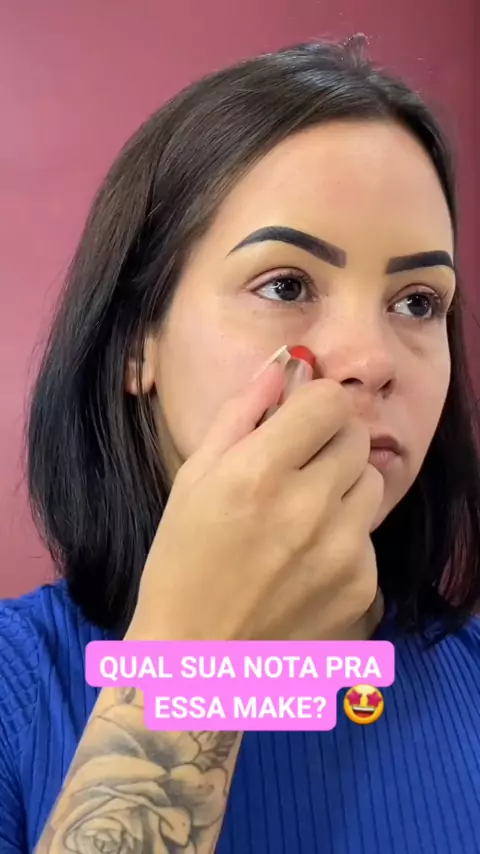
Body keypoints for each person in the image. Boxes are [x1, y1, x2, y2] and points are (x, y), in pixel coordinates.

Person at [1, 35, 479, 854]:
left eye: (417, 302)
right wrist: (196, 650)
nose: (372, 361)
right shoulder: (17, 691)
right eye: (286, 285)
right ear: (137, 343)